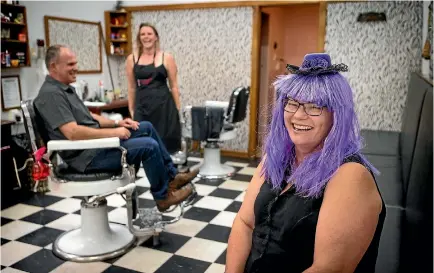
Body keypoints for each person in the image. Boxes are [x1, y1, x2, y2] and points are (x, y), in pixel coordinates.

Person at [226, 53, 386, 273]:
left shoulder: (350, 176)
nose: (298, 115)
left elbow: (329, 268)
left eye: (314, 107)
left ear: (337, 115)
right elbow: (245, 223)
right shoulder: (276, 158)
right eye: (292, 103)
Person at [34, 45, 197, 212]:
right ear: (53, 66)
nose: (75, 68)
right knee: (149, 146)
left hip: (94, 147)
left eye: (75, 63)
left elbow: (90, 117)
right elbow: (73, 133)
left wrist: (117, 123)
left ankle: (171, 177)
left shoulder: (65, 88)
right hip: (86, 158)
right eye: (70, 64)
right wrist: (114, 133)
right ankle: (162, 198)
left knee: (145, 127)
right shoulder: (51, 94)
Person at [126, 23, 182, 154]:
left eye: (149, 34)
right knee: (143, 144)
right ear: (139, 38)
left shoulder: (166, 58)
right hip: (142, 107)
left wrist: (177, 108)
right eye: (142, 34)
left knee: (165, 147)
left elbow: (173, 86)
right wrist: (132, 110)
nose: (146, 37)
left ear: (156, 37)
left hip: (164, 107)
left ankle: (168, 173)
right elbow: (131, 87)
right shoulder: (131, 59)